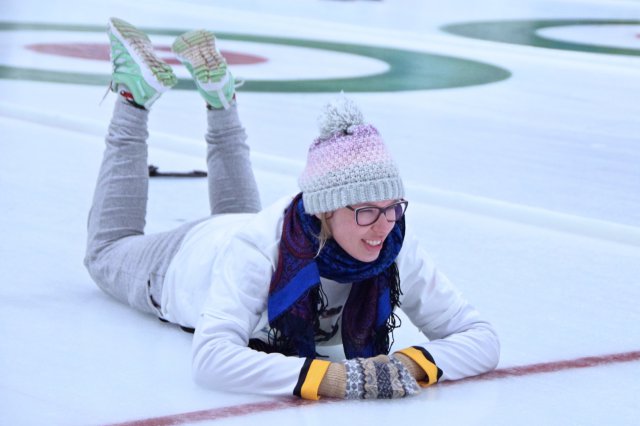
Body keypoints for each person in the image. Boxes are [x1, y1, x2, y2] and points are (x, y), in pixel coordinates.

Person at [85, 17, 499, 401]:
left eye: (393, 208)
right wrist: (331, 378)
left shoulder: (392, 244)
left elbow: (481, 337)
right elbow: (211, 359)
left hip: (240, 234)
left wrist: (411, 363)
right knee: (105, 252)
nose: (383, 227)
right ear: (323, 211)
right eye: (366, 211)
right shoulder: (260, 246)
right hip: (185, 261)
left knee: (246, 222)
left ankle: (221, 97)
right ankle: (133, 99)